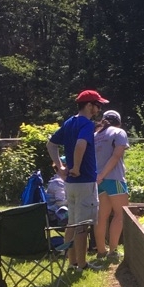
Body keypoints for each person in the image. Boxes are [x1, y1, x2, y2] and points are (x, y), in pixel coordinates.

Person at [46, 89, 105, 272]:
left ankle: (72, 263)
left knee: (72, 222)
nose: (99, 109)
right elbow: (81, 144)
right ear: (89, 105)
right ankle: (82, 264)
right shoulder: (86, 124)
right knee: (83, 225)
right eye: (98, 105)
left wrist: (61, 168)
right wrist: (77, 167)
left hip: (70, 183)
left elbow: (51, 144)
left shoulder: (69, 122)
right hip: (84, 180)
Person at [92, 110, 129, 265]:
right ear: (118, 122)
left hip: (98, 181)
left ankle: (101, 251)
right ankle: (113, 251)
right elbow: (116, 156)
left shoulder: (95, 136)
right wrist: (104, 174)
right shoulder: (119, 132)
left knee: (102, 217)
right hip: (114, 179)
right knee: (120, 214)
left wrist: (98, 177)